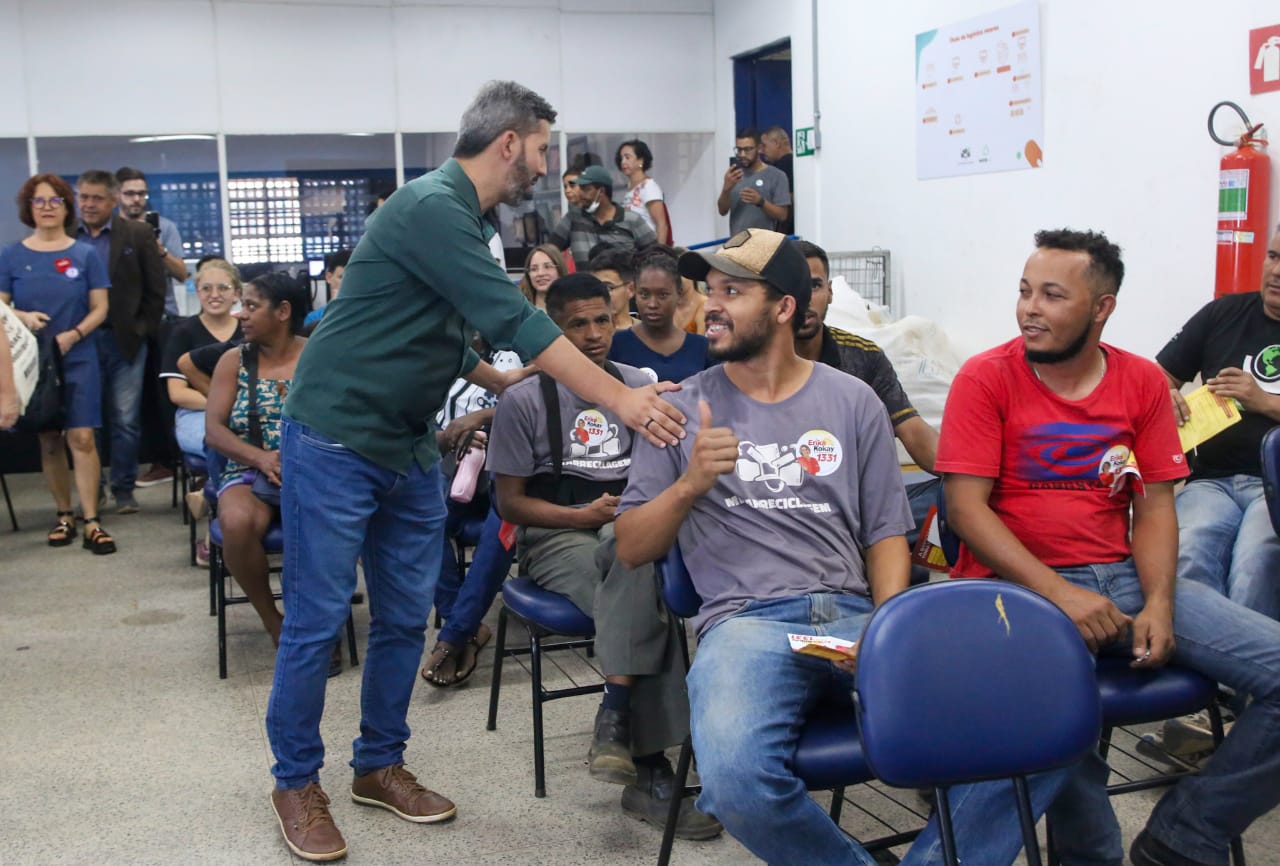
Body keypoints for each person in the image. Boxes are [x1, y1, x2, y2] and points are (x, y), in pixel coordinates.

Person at [264, 80, 686, 863]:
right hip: (335, 437)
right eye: (543, 148)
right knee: (317, 621)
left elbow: (434, 323)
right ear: (509, 142)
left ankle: (378, 765)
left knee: (403, 620)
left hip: (407, 444)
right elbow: (515, 318)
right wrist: (622, 401)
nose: (546, 165)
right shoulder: (432, 206)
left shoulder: (470, 220)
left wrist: (498, 381)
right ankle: (295, 782)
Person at [928, 228, 1280, 866]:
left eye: (1052, 295)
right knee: (1063, 723)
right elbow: (965, 510)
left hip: (1121, 580)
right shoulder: (986, 377)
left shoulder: (1141, 380)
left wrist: (1160, 602)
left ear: (1102, 307)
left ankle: (1185, 833)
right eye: (1024, 292)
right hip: (1017, 592)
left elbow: (1155, 506)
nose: (1030, 309)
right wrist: (1062, 595)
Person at [613, 228, 919, 866]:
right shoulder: (680, 408)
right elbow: (632, 547)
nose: (711, 305)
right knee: (734, 784)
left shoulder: (854, 401)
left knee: (1022, 724)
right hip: (747, 625)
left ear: (784, 307)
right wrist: (690, 483)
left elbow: (887, 534)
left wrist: (887, 626)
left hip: (854, 615)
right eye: (710, 290)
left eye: (734, 291)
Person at [489, 272, 719, 840]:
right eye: (577, 325)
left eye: (603, 321)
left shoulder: (638, 385)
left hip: (626, 526)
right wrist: (580, 516)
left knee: (633, 560)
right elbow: (510, 504)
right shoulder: (523, 399)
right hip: (554, 533)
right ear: (552, 330)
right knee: (646, 599)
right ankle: (652, 768)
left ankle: (617, 721)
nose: (594, 335)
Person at [1156, 225, 1280, 620]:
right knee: (1189, 550)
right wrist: (1164, 396)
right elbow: (1157, 377)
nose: (1276, 271)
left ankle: (1249, 660)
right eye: (1273, 257)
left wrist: (1264, 401)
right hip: (1210, 480)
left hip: (1274, 487)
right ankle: (1194, 653)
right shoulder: (1223, 313)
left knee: (1255, 563)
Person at [796, 240, 940, 580]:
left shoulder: (862, 356)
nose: (804, 299)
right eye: (793, 286)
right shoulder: (757, 363)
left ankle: (865, 555)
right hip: (794, 510)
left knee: (955, 496)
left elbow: (911, 428)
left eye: (814, 286)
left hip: (865, 511)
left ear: (830, 293)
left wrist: (969, 472)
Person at [0, 173, 115, 554]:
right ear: (28, 208)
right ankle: (64, 515)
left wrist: (75, 335)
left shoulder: (85, 254)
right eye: (39, 201)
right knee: (49, 439)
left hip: (79, 355)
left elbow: (100, 308)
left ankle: (91, 519)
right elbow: (0, 308)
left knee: (82, 437)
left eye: (55, 200)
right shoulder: (11, 255)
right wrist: (23, 316)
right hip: (33, 361)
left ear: (67, 207)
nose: (47, 207)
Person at [205, 272, 309, 646]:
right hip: (249, 469)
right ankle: (273, 620)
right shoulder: (233, 361)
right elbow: (214, 431)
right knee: (235, 522)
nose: (240, 314)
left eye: (251, 306)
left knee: (332, 524)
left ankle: (315, 622)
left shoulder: (317, 356)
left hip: (312, 469)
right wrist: (261, 458)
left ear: (283, 311)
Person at [420, 335, 525, 687]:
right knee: (425, 519)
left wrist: (481, 420)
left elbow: (545, 395)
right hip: (452, 466)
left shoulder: (525, 350)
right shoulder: (435, 354)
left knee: (503, 521)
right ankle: (465, 626)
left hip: (512, 466)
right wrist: (451, 436)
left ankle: (454, 636)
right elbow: (419, 428)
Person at [75, 169, 167, 514]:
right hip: (80, 341)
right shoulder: (68, 236)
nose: (89, 204)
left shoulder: (137, 233)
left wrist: (142, 329)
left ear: (113, 200)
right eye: (83, 197)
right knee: (86, 421)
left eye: (97, 198)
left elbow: (156, 289)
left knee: (125, 419)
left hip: (126, 340)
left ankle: (124, 489)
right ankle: (93, 490)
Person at [117, 166, 188, 488]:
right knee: (134, 402)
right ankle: (141, 466)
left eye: (141, 193)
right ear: (118, 195)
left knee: (164, 397)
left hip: (164, 321)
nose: (136, 199)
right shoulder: (112, 232)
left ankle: (169, 462)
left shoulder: (165, 228)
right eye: (130, 193)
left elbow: (182, 274)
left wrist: (158, 247)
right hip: (125, 325)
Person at [162, 259, 243, 464]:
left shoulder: (249, 330)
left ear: (236, 293)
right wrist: (228, 405)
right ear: (197, 292)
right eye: (206, 288)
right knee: (223, 445)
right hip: (197, 414)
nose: (214, 295)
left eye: (223, 288)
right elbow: (177, 393)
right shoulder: (183, 333)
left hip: (245, 412)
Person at [608, 248, 713, 382]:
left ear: (679, 293)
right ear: (634, 292)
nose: (652, 304)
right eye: (644, 294)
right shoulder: (616, 345)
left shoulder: (702, 348)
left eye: (663, 295)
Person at [548, 165, 657, 268]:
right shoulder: (573, 218)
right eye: (580, 188)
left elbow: (657, 256)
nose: (581, 194)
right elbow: (549, 251)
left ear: (601, 191)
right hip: (586, 281)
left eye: (586, 189)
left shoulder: (632, 220)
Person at [717, 129, 791, 236]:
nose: (742, 154)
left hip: (765, 241)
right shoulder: (733, 176)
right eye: (739, 149)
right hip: (737, 241)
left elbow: (782, 215)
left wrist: (760, 201)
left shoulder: (777, 176)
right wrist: (726, 189)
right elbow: (722, 211)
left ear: (759, 148)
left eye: (747, 149)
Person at [615, 139, 670, 245]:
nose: (623, 162)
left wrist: (659, 251)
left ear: (640, 161)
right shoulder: (630, 187)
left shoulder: (648, 186)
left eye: (627, 157)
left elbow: (661, 224)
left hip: (648, 247)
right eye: (621, 158)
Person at [587, 246, 638, 333]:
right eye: (594, 288)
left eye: (608, 288)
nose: (599, 294)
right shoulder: (586, 333)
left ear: (631, 289)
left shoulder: (648, 333)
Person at [303, 249, 350, 332]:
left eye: (352, 278)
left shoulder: (365, 314)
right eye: (341, 277)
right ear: (328, 277)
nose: (348, 283)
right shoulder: (313, 318)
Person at [760, 127, 795, 236]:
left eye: (764, 146)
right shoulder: (795, 163)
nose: (761, 151)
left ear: (776, 143)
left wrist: (781, 232)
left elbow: (789, 200)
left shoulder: (784, 166)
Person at [517, 243, 566, 309]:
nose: (540, 273)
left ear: (560, 270)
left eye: (547, 267)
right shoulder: (519, 308)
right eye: (534, 269)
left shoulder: (572, 307)